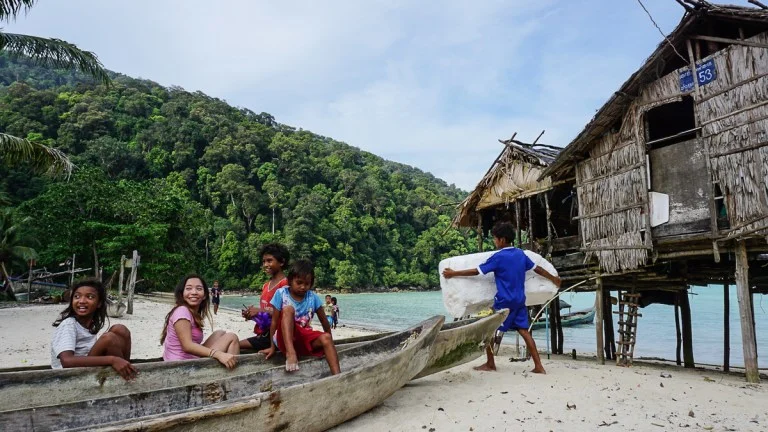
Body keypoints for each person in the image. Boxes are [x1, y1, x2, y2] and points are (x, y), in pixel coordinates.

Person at [442, 221, 561, 374]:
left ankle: (490, 364)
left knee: (490, 331)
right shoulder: (520, 254)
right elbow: (537, 269)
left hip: (504, 301)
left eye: (495, 238)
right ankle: (539, 366)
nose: (494, 241)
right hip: (519, 300)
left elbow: (477, 272)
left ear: (502, 240)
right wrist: (554, 279)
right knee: (524, 331)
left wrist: (453, 273)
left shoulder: (498, 257)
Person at [262, 259, 340, 375]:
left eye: (307, 284)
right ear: (289, 281)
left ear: (311, 283)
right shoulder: (281, 293)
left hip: (303, 340)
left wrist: (330, 344)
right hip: (284, 339)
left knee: (326, 338)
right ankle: (291, 353)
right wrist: (272, 347)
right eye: (299, 283)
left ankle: (338, 377)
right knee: (288, 309)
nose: (303, 287)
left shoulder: (312, 297)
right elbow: (274, 322)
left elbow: (324, 322)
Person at [50, 278, 136, 380]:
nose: (82, 301)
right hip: (69, 377)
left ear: (99, 303)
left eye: (90, 297)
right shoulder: (68, 324)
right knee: (108, 338)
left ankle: (127, 370)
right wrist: (112, 359)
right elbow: (67, 361)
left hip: (86, 369)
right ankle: (126, 378)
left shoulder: (88, 325)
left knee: (120, 329)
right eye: (77, 296)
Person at [160, 274, 239, 369]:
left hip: (186, 360)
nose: (194, 292)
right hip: (181, 366)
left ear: (205, 295)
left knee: (219, 333)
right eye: (189, 288)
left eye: (199, 288)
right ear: (182, 293)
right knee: (232, 337)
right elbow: (187, 346)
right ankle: (231, 373)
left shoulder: (189, 311)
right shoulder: (182, 311)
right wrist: (218, 354)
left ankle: (228, 365)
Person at [240, 243, 290, 351]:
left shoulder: (285, 285)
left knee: (235, 343)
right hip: (264, 334)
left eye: (269, 260)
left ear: (281, 262)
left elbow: (288, 313)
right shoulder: (266, 286)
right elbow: (266, 315)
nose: (265, 264)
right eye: (264, 261)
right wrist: (253, 315)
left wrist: (259, 311)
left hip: (277, 334)